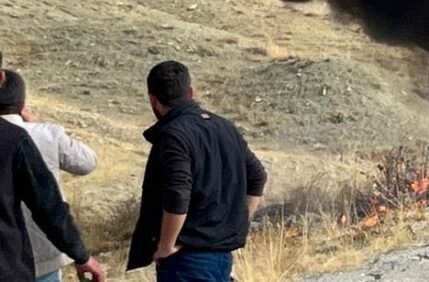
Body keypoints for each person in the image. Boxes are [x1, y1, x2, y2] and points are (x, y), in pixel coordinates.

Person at [127, 60, 267, 282]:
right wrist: (238, 221)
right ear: (190, 92)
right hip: (221, 256)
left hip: (187, 260)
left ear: (153, 100)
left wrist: (166, 245)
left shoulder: (173, 136)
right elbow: (258, 176)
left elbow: (178, 194)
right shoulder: (225, 127)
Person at [0, 66, 106, 282]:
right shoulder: (34, 136)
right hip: (37, 252)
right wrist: (81, 255)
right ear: (22, 105)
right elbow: (87, 163)